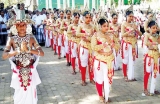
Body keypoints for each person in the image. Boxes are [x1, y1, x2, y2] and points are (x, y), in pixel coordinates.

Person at [2, 19, 44, 104]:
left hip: (31, 70)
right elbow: (4, 56)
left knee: (31, 95)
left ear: (27, 26)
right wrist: (17, 51)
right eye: (19, 25)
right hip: (18, 71)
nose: (22, 27)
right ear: (15, 27)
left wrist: (29, 50)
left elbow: (42, 53)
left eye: (23, 25)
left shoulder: (32, 38)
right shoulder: (11, 39)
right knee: (18, 96)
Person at [91, 18, 115, 103]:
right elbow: (93, 47)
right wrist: (102, 46)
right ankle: (100, 96)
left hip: (110, 60)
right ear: (100, 26)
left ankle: (106, 96)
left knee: (108, 78)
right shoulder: (96, 35)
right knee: (100, 78)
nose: (106, 27)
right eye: (104, 26)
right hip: (100, 60)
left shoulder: (111, 35)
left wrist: (113, 45)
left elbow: (118, 45)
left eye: (107, 26)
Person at [121, 5, 142, 82]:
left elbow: (140, 34)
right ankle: (125, 75)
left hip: (133, 44)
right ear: (126, 16)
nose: (131, 18)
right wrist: (129, 31)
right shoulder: (123, 24)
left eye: (132, 16)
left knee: (132, 60)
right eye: (130, 16)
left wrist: (136, 29)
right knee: (125, 59)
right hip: (126, 44)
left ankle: (131, 76)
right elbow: (122, 35)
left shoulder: (135, 24)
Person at [76, 11, 95, 86]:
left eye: (90, 17)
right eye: (86, 17)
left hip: (91, 47)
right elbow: (77, 34)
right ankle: (83, 80)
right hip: (84, 47)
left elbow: (97, 33)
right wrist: (86, 34)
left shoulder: (93, 26)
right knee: (83, 63)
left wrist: (91, 37)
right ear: (83, 18)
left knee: (91, 63)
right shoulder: (80, 26)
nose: (88, 19)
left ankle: (91, 79)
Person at [143, 20, 160, 96]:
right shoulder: (147, 35)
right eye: (153, 28)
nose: (155, 29)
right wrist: (154, 43)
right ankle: (145, 89)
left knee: (155, 72)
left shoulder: (157, 35)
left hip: (157, 55)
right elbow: (145, 43)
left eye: (156, 28)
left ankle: (152, 89)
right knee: (147, 72)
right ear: (149, 28)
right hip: (150, 55)